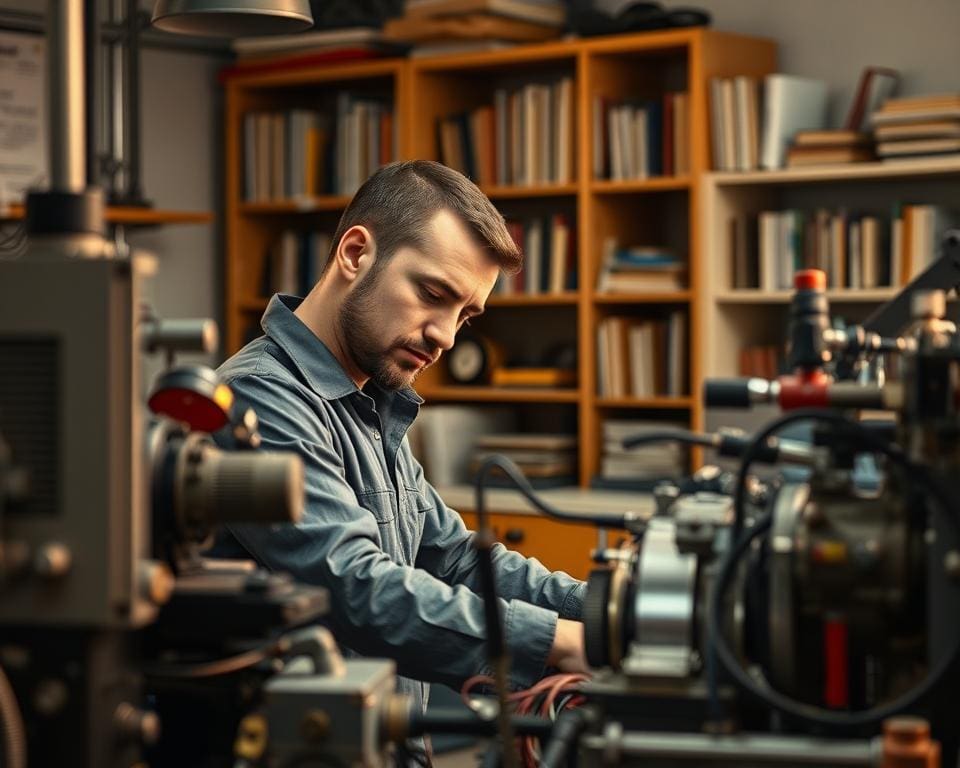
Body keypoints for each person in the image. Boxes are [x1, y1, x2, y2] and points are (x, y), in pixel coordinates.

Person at [211, 160, 587, 764]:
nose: (445, 337)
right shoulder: (257, 401)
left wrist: (611, 612)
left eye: (465, 315)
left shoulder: (372, 403)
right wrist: (560, 643)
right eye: (433, 295)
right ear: (356, 253)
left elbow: (456, 559)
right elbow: (353, 585)